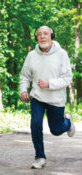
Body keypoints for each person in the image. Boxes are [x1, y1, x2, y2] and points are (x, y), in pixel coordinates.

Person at [20, 25, 75, 169]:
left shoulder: (62, 54)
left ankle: (68, 123)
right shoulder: (31, 56)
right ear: (36, 38)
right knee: (36, 124)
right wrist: (23, 90)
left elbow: (67, 78)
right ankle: (40, 157)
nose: (42, 36)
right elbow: (25, 76)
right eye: (39, 34)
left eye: (45, 33)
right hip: (37, 97)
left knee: (56, 130)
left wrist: (49, 83)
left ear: (52, 36)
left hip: (56, 99)